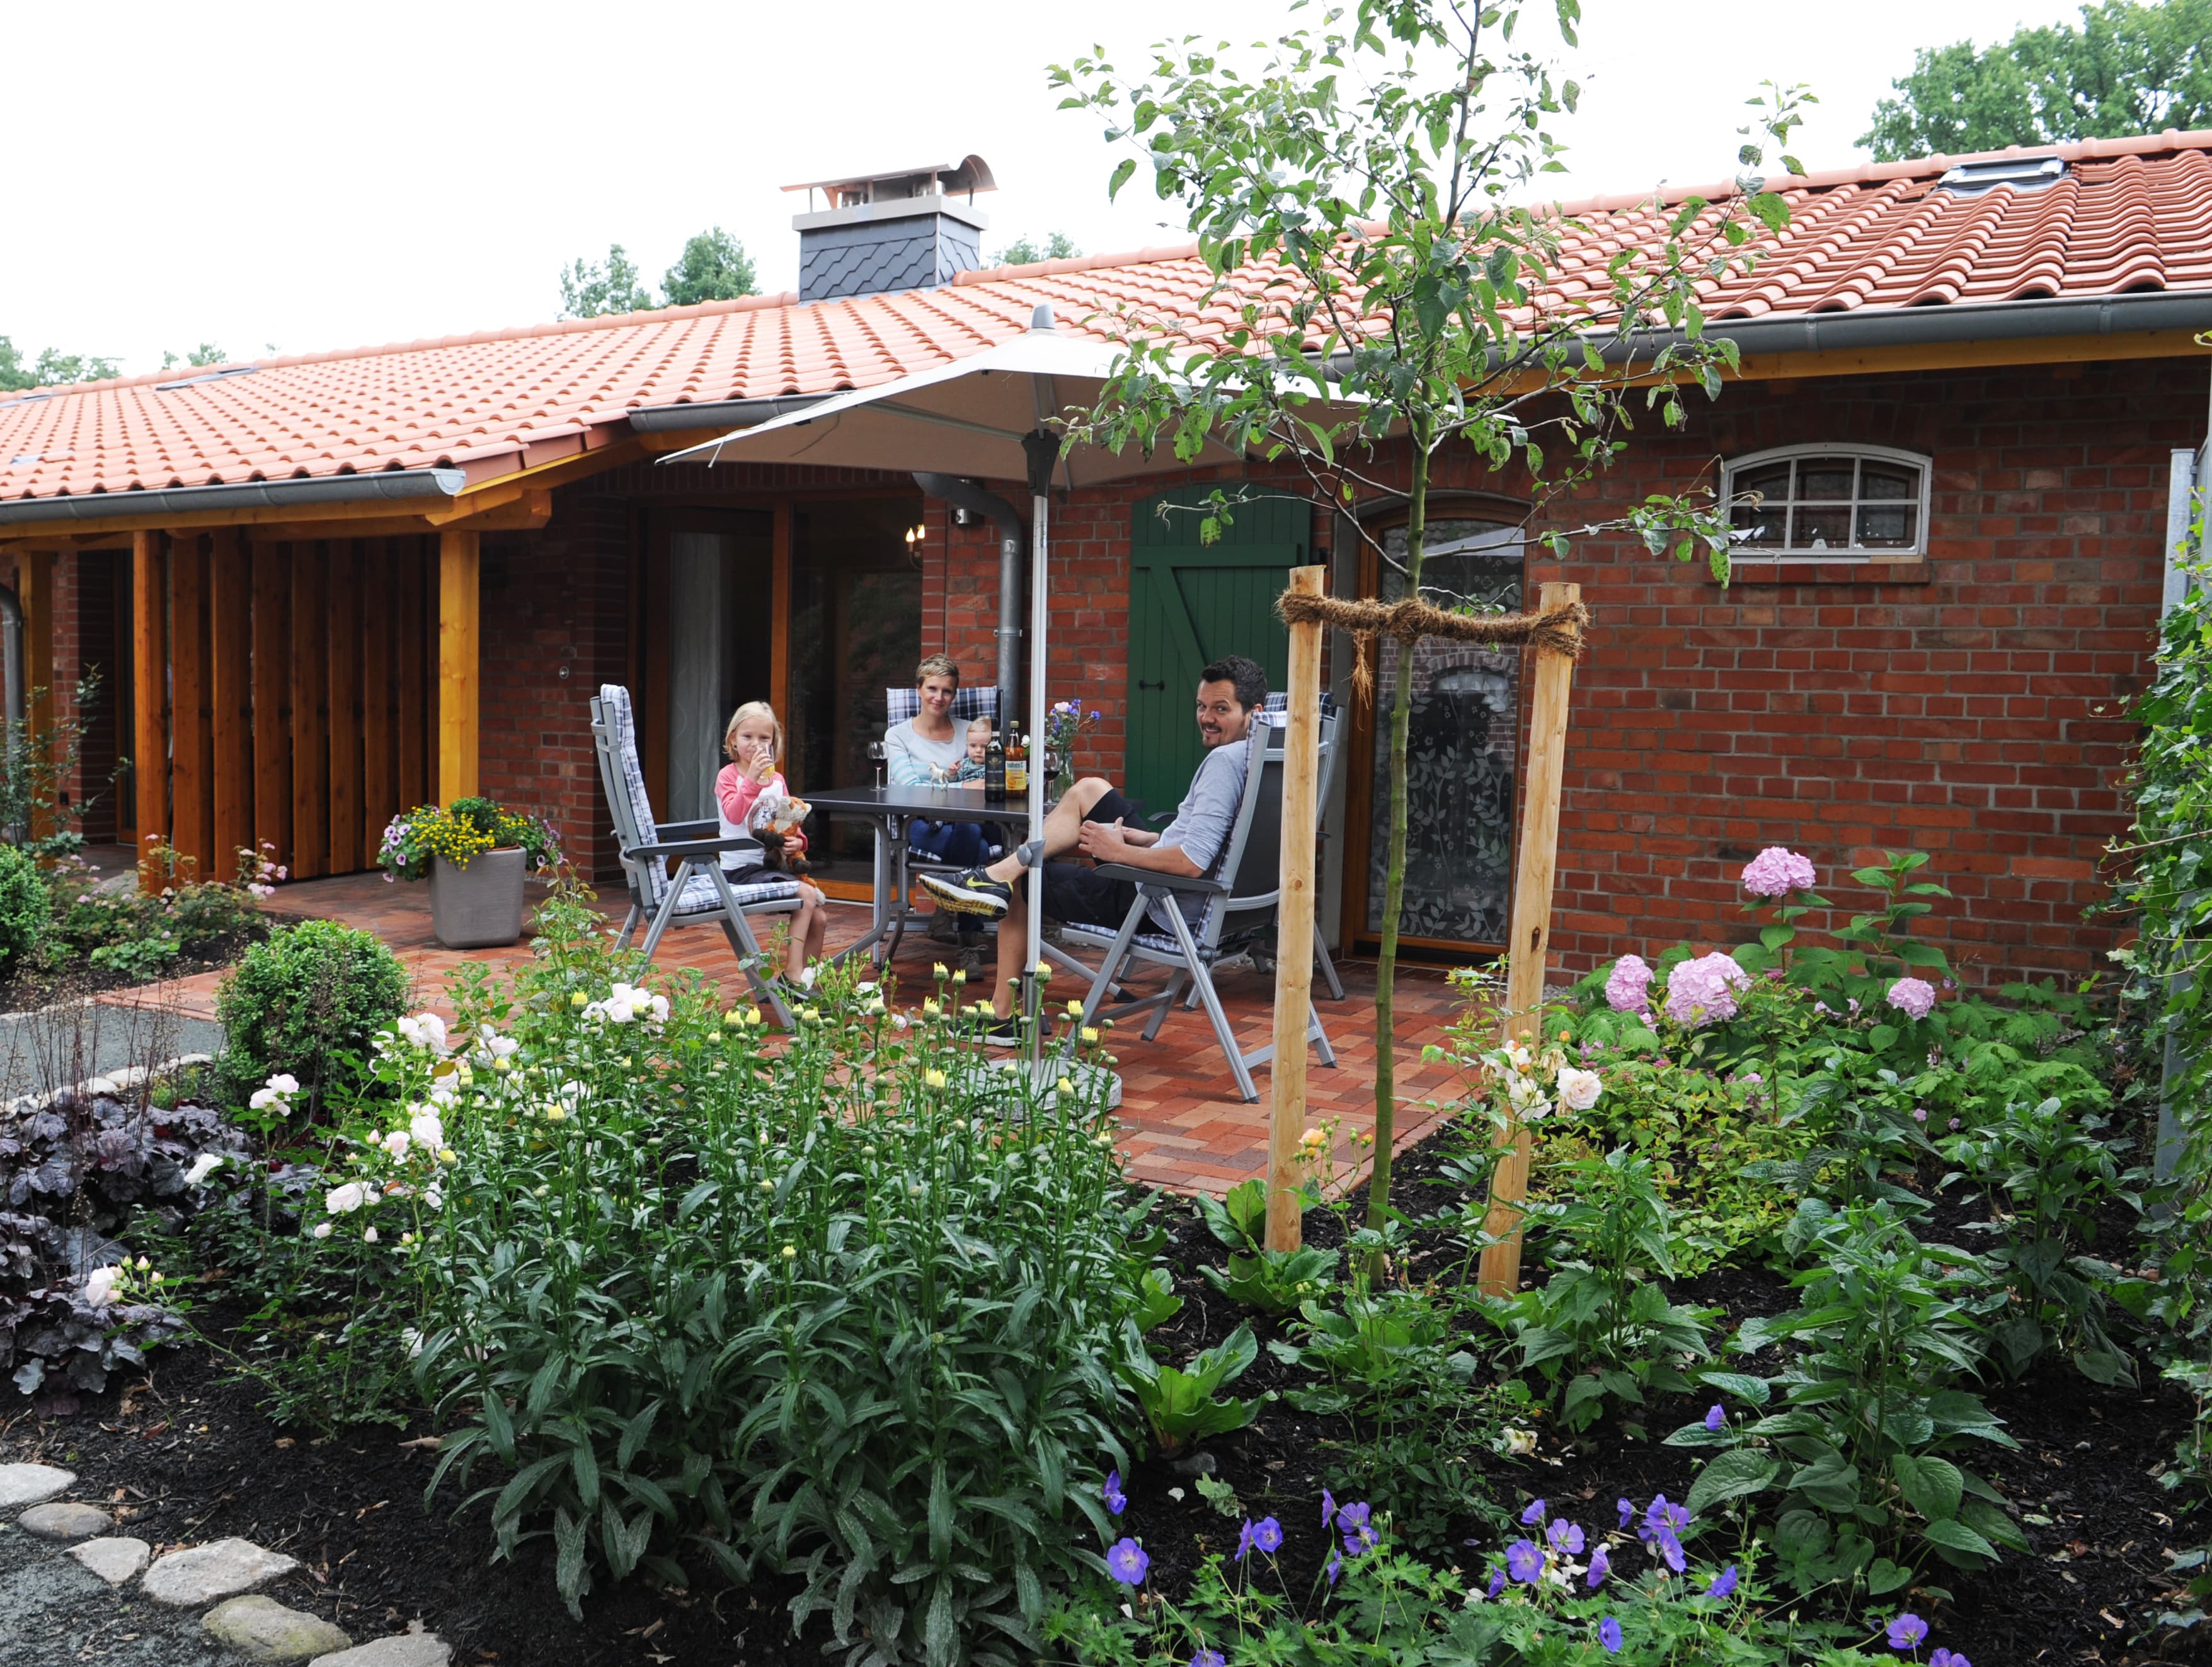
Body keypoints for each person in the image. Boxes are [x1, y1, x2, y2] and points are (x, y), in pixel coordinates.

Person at [920, 654, 1269, 1043]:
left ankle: (1002, 1014)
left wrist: (1119, 854)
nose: (1206, 718)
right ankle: (997, 874)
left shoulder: (1223, 763)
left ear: (1253, 712)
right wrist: (1150, 839)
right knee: (1091, 789)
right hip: (1202, 896)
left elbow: (1191, 863)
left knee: (1027, 879)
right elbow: (1217, 842)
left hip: (1160, 901)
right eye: (1202, 706)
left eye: (1221, 709)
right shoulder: (1268, 758)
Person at [716, 701, 828, 988]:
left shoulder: (777, 780)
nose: (756, 744)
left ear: (773, 743)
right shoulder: (728, 776)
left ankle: (807, 981)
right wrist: (751, 780)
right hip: (740, 869)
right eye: (748, 737)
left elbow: (790, 819)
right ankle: (793, 976)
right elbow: (734, 814)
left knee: (819, 918)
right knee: (806, 894)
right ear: (733, 740)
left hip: (773, 866)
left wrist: (797, 841)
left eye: (764, 738)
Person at [908, 716, 997, 866]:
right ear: (967, 745)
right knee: (981, 848)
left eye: (984, 747)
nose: (978, 751)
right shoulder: (964, 765)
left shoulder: (996, 764)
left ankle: (944, 878)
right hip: (951, 811)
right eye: (973, 746)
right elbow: (952, 782)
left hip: (980, 815)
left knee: (972, 831)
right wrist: (954, 775)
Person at [882, 655, 968, 786]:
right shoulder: (897, 735)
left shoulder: (971, 732)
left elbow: (983, 779)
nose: (939, 698)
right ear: (919, 689)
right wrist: (963, 786)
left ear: (954, 695)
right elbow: (910, 788)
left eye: (947, 691)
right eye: (932, 689)